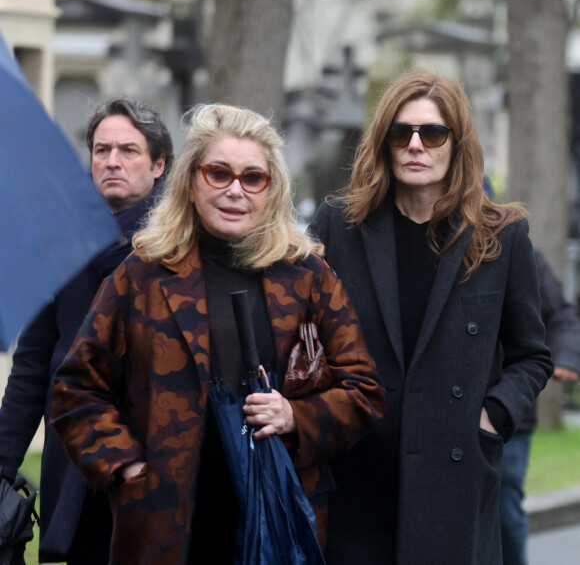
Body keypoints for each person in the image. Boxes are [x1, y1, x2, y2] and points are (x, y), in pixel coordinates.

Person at [50, 103, 385, 565]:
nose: (235, 191)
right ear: (191, 180)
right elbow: (75, 389)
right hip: (164, 525)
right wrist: (124, 464)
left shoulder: (307, 275)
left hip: (277, 518)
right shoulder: (142, 274)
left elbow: (363, 391)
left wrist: (295, 416)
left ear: (272, 189)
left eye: (253, 178)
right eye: (218, 173)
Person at [309, 71, 553, 564]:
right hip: (357, 473)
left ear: (456, 144)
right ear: (384, 143)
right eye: (401, 133)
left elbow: (531, 355)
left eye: (432, 133)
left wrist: (493, 416)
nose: (415, 145)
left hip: (455, 476)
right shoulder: (340, 225)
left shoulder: (501, 236)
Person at [0, 97, 173, 564]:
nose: (112, 161)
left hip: (152, 462)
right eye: (101, 150)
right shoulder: (59, 241)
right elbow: (34, 363)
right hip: (74, 458)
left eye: (128, 151)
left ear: (159, 165)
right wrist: (2, 462)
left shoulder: (180, 245)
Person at [500, 247, 580, 565]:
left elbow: (560, 314)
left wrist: (567, 357)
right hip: (446, 413)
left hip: (509, 412)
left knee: (505, 510)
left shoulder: (517, 249)